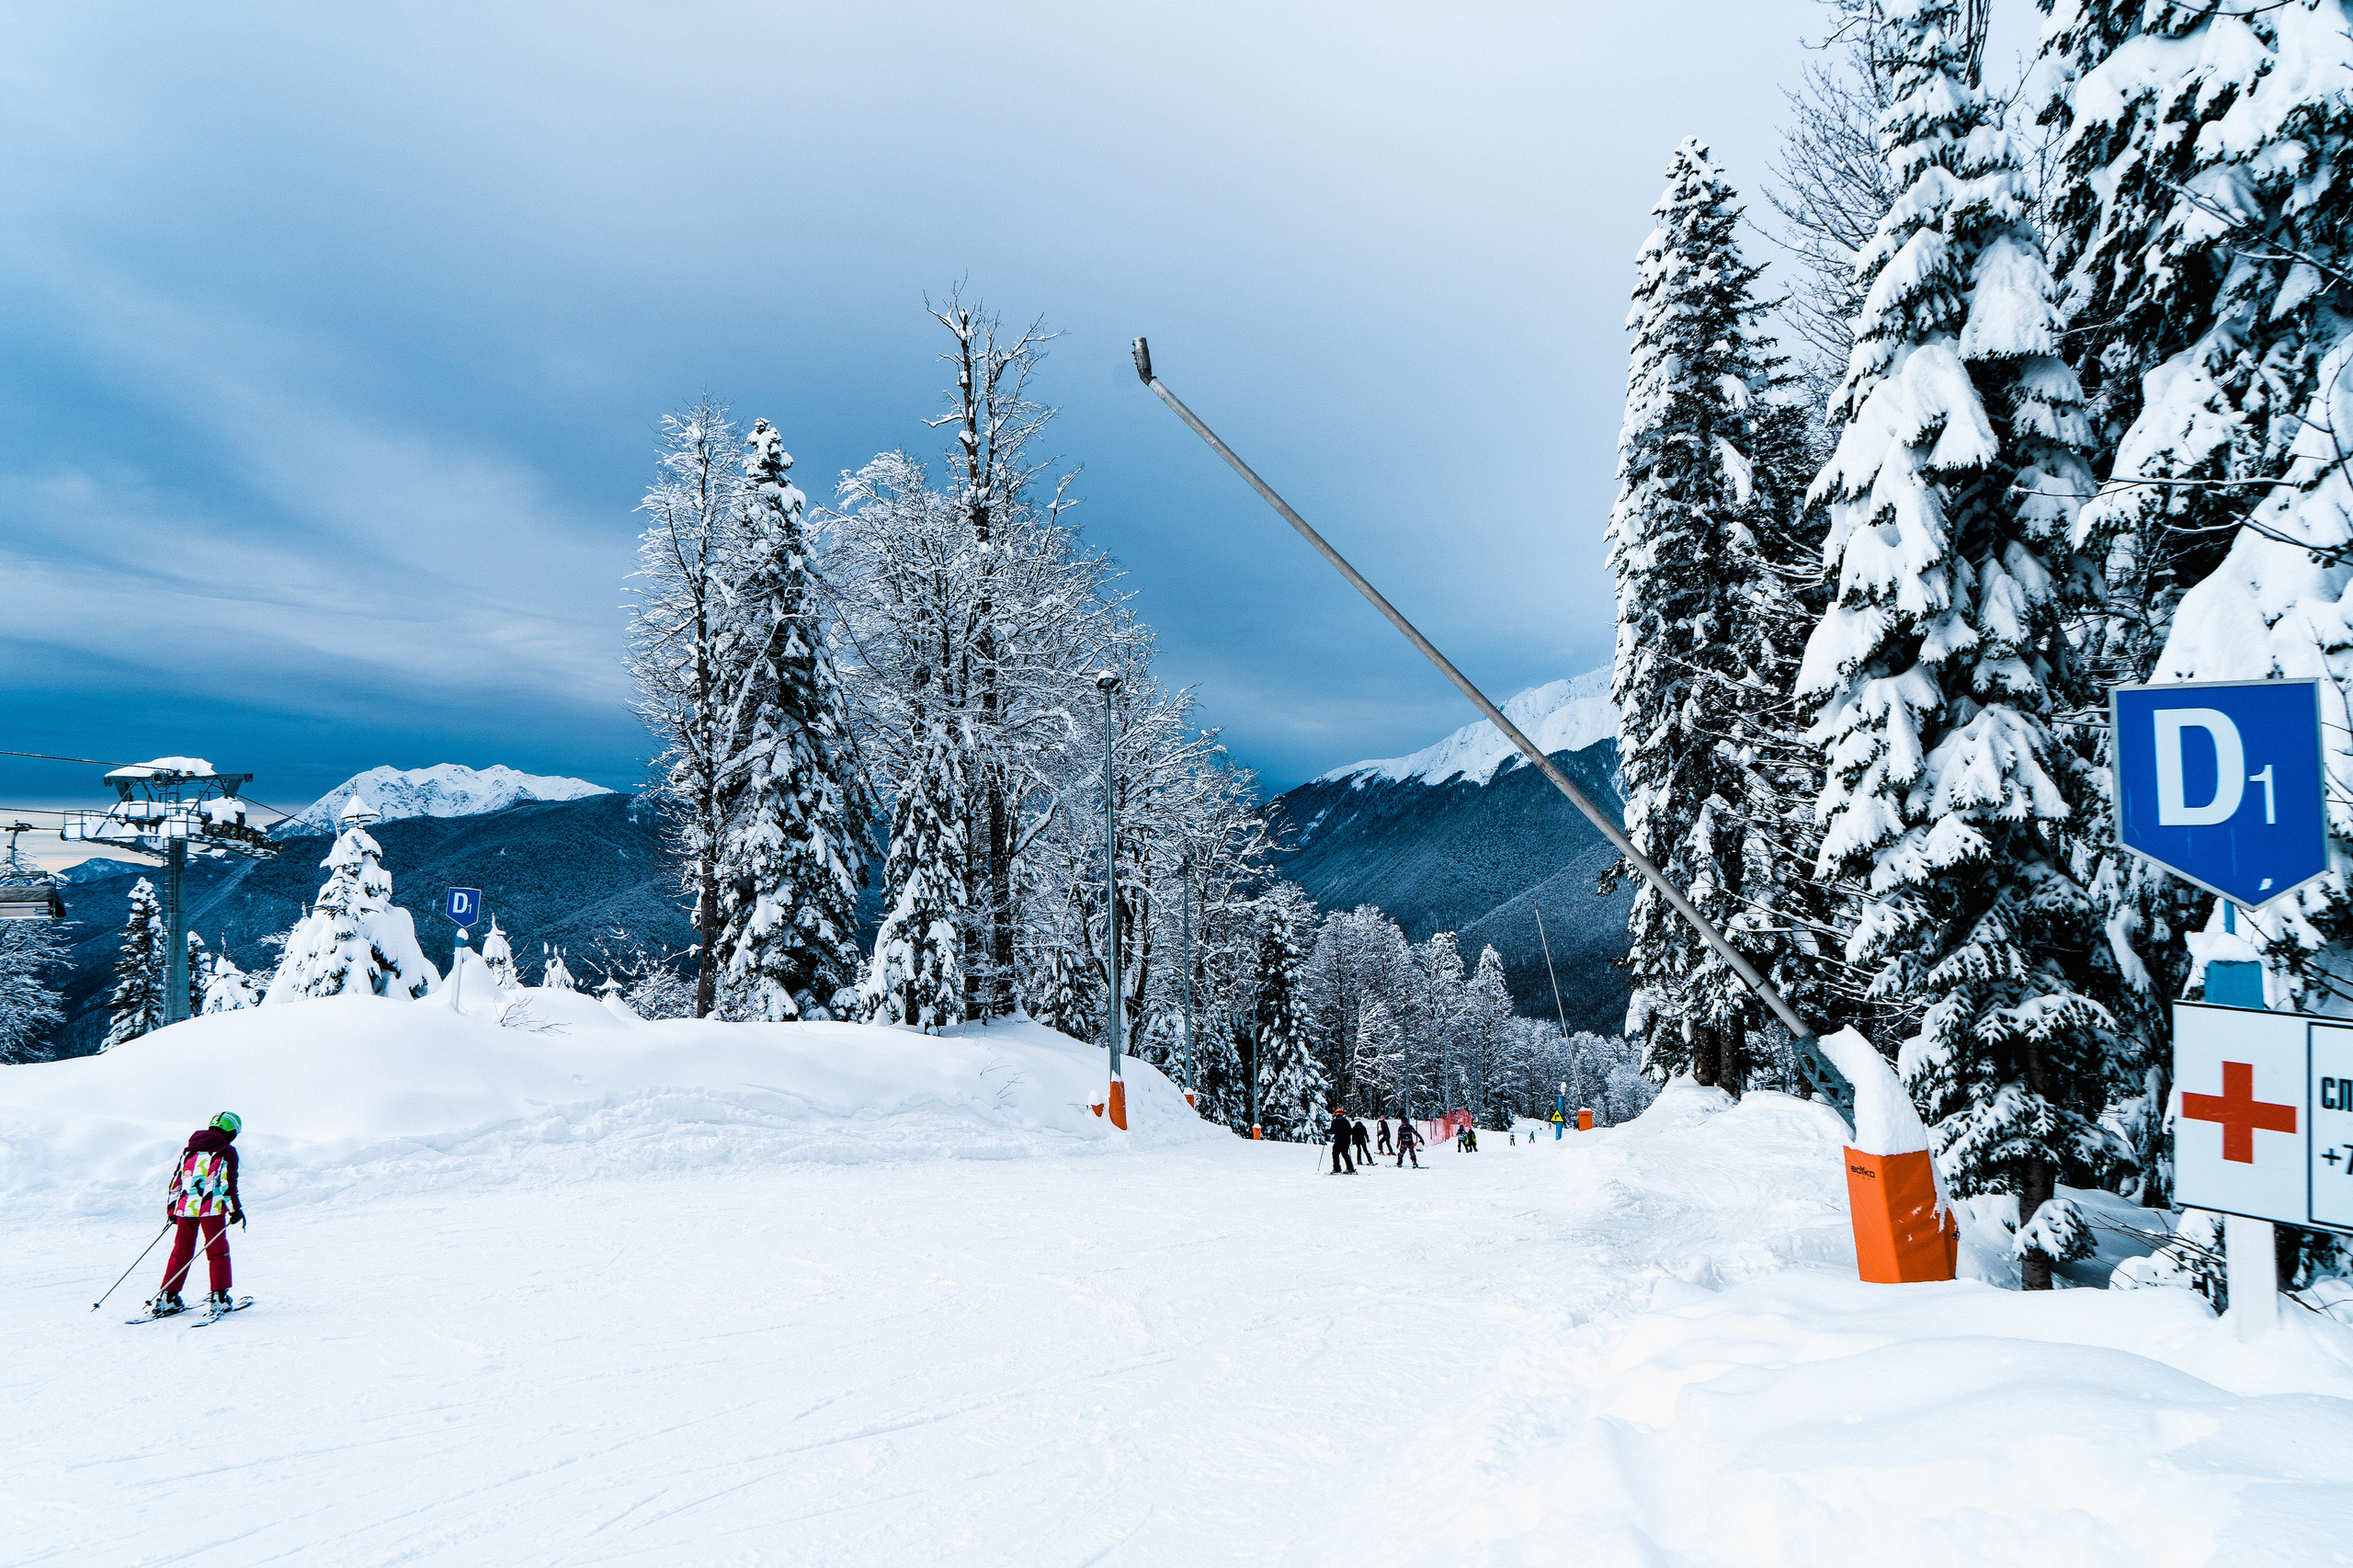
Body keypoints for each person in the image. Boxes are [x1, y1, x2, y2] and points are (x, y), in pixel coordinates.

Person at [149, 1111, 244, 1317]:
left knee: (181, 1252)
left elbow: (177, 1181)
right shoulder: (227, 1151)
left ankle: (168, 1298)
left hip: (185, 1209)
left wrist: (172, 1209)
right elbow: (227, 1184)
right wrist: (236, 1210)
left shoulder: (189, 1151)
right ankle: (219, 1299)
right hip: (211, 1209)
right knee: (217, 1252)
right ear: (232, 1131)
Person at [1328, 1108, 1356, 1174]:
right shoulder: (1346, 1121)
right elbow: (1350, 1131)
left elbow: (1332, 1131)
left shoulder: (1335, 1121)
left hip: (1338, 1141)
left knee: (1335, 1154)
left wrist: (1327, 1131)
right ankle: (1350, 1169)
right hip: (1346, 1141)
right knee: (1345, 1154)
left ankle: (1337, 1169)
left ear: (1336, 1114)